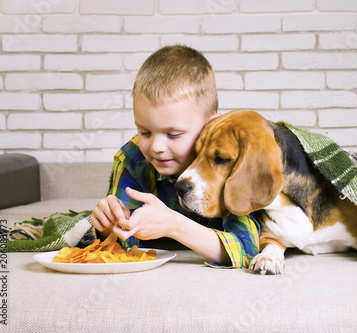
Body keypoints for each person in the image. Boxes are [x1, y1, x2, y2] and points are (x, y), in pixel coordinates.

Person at [89, 45, 260, 268]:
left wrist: (174, 226)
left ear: (211, 125)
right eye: (145, 132)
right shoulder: (133, 158)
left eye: (173, 134)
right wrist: (107, 228)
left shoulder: (227, 162)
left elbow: (247, 250)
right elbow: (124, 247)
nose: (157, 147)